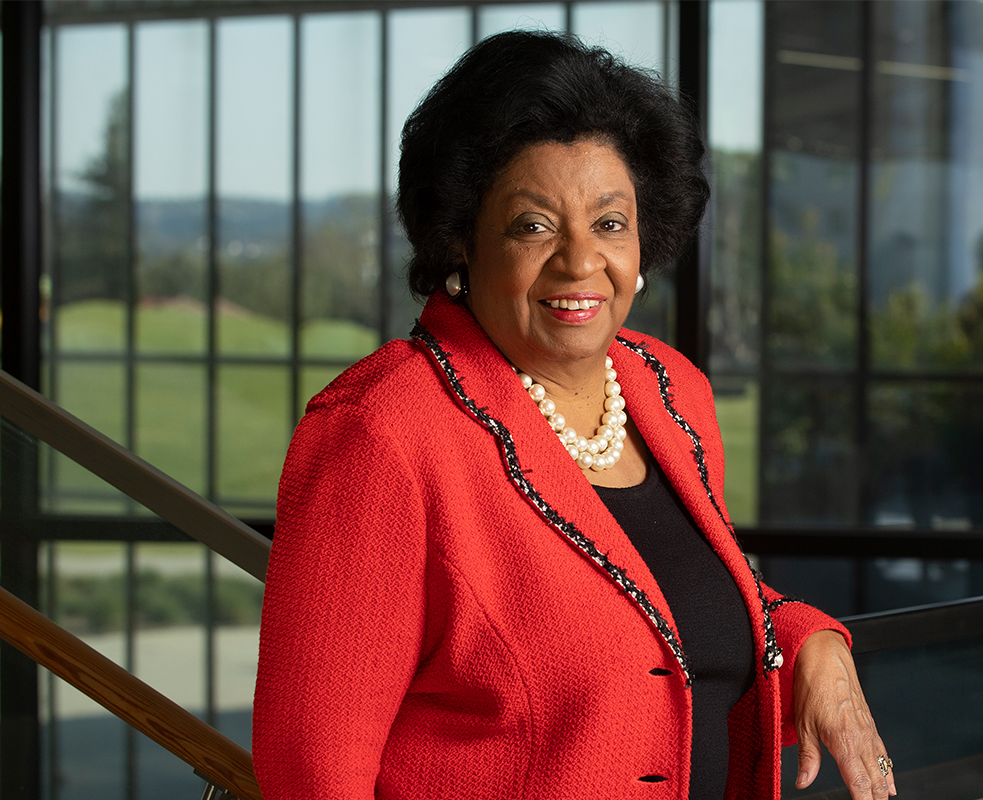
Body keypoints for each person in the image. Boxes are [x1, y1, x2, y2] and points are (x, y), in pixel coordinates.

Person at [252, 30, 893, 800]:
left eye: (610, 223)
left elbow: (675, 604)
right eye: (534, 225)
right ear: (461, 237)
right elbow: (312, 777)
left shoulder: (669, 389)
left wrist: (810, 641)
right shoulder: (381, 433)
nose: (580, 261)